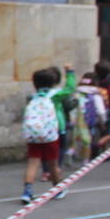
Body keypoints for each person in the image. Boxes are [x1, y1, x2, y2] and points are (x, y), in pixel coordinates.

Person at [20, 65, 75, 204]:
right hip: (51, 134)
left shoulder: (32, 97)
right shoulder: (55, 96)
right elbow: (70, 89)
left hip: (34, 134)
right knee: (53, 163)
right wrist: (70, 72)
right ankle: (58, 188)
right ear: (53, 83)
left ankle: (27, 191)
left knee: (33, 163)